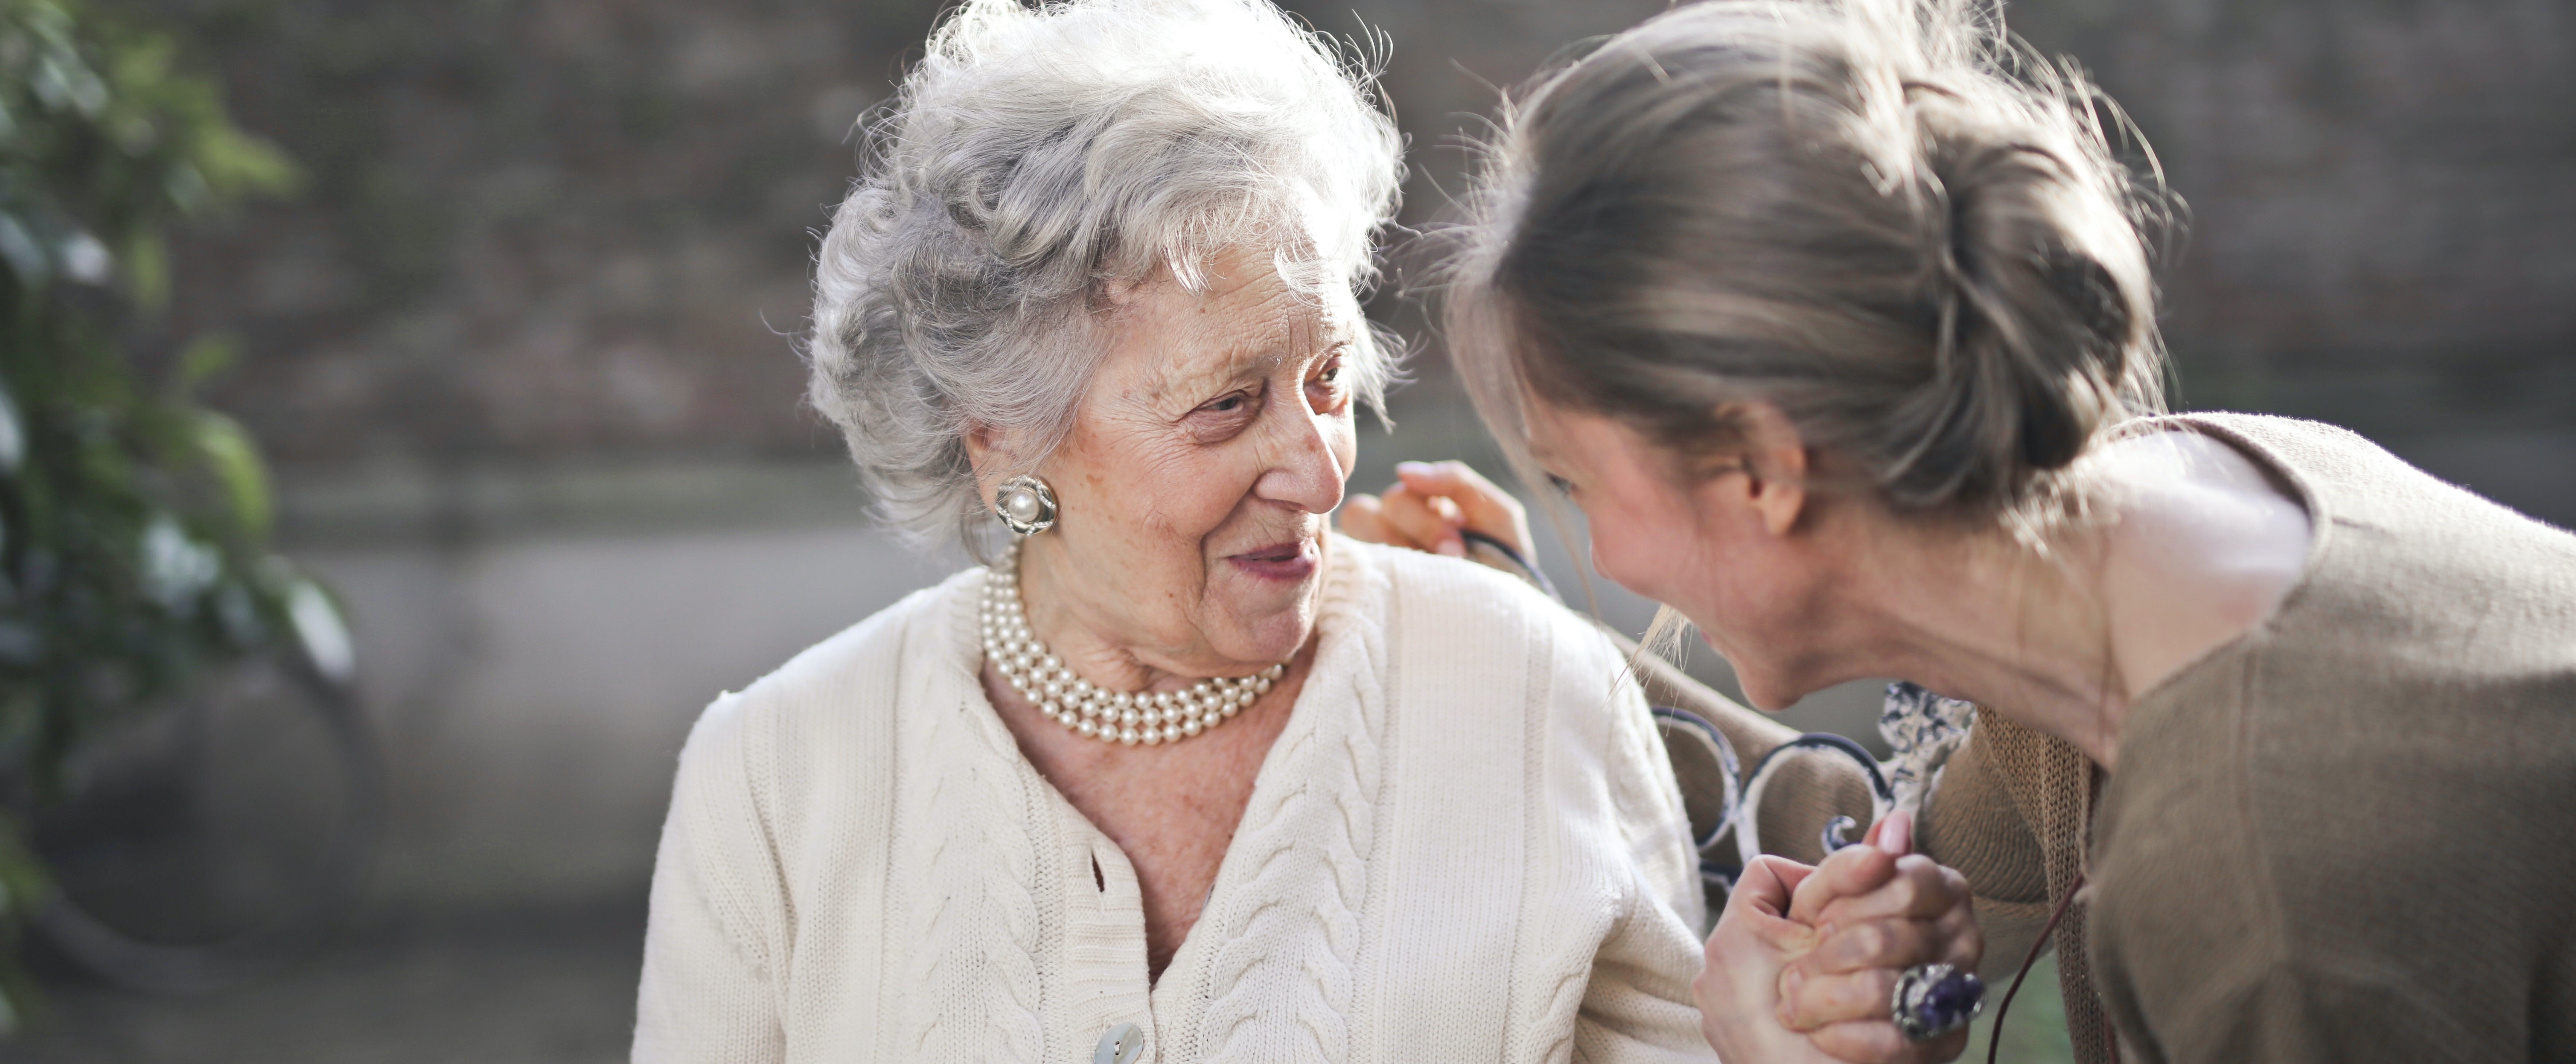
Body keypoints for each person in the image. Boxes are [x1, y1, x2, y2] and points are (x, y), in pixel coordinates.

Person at [629, 1, 1977, 1061]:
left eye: (1327, 380)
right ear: (1004, 439)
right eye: (1226, 405)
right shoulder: (775, 774)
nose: (1319, 466)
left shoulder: (1521, 687)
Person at [1402, 0, 2576, 1061]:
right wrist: (1515, 628)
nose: (1604, 555)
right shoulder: (2157, 525)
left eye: (1579, 482)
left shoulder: (2263, 888)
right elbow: (1880, 842)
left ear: (1760, 466)